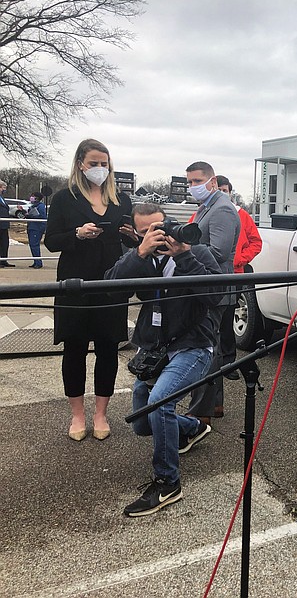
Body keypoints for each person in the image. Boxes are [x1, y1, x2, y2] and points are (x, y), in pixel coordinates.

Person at [105, 203, 221, 516]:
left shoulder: (198, 252)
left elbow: (216, 296)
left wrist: (183, 255)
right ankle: (193, 427)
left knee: (158, 404)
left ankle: (168, 482)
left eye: (162, 226)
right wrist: (139, 253)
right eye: (148, 232)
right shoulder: (143, 257)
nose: (159, 235)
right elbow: (110, 286)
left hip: (193, 345)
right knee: (143, 423)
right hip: (156, 349)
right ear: (137, 232)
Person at [43, 139, 135, 441]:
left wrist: (132, 236)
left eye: (104, 163)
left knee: (108, 349)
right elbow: (52, 240)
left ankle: (100, 413)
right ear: (80, 163)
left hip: (111, 283)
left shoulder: (121, 199)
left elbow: (133, 242)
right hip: (75, 283)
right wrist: (76, 234)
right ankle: (78, 414)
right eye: (94, 163)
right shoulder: (64, 198)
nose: (100, 169)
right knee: (75, 349)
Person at [183, 162, 240, 422]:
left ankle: (202, 412)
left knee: (207, 347)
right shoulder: (207, 207)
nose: (193, 187)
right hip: (204, 285)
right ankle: (212, 405)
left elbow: (218, 252)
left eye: (197, 181)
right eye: (190, 182)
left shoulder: (222, 210)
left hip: (214, 288)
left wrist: (183, 250)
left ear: (213, 181)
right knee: (209, 345)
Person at [213, 175, 263, 381]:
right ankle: (210, 361)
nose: (223, 194)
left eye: (225, 190)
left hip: (233, 275)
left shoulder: (242, 215)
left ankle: (228, 362)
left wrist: (237, 260)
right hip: (211, 274)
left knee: (227, 319)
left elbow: (255, 242)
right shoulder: (205, 212)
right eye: (219, 190)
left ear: (230, 192)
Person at [26, 192, 47, 268]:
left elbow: (42, 216)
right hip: (31, 227)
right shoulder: (33, 206)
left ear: (37, 198)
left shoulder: (40, 206)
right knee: (32, 245)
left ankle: (38, 263)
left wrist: (31, 216)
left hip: (37, 228)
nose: (31, 197)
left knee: (35, 245)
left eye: (33, 196)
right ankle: (35, 261)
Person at [0, 179, 12, 268]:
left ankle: (4, 260)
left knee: (5, 243)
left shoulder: (2, 198)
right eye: (3, 187)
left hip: (4, 224)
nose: (4, 189)